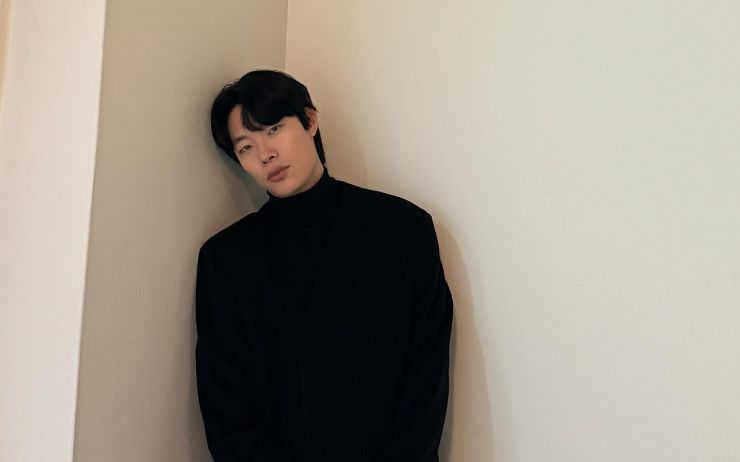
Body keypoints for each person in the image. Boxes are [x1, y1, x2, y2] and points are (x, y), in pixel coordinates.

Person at [196, 69, 453, 462]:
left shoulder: (403, 230)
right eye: (245, 147)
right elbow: (227, 409)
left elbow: (426, 380)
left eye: (273, 129)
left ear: (310, 120)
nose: (265, 154)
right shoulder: (226, 260)